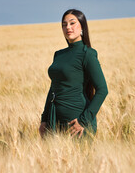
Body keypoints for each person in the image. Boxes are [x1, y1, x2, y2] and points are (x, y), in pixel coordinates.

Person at [39, 9, 108, 139]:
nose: (68, 28)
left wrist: (84, 121)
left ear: (82, 26)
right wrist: (44, 119)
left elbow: (102, 90)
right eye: (64, 25)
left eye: (72, 23)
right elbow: (53, 88)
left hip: (76, 124)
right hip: (54, 121)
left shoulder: (87, 54)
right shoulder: (58, 55)